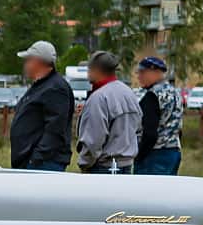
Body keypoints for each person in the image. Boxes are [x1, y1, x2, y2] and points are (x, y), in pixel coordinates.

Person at [8, 40, 74, 170]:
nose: (25, 64)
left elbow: (55, 128)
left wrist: (36, 159)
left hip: (44, 164)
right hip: (32, 162)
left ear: (38, 61)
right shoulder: (40, 86)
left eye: (27, 60)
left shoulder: (55, 88)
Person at [76, 51, 141, 173]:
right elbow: (138, 128)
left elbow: (93, 141)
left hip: (103, 167)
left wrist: (84, 164)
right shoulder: (128, 93)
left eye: (89, 69)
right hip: (126, 165)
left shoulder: (99, 97)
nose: (87, 73)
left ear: (96, 70)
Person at [132, 56, 183, 175]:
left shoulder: (152, 95)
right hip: (173, 151)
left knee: (148, 192)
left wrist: (139, 155)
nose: (139, 76)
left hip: (154, 155)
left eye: (142, 72)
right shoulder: (175, 93)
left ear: (154, 72)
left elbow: (149, 133)